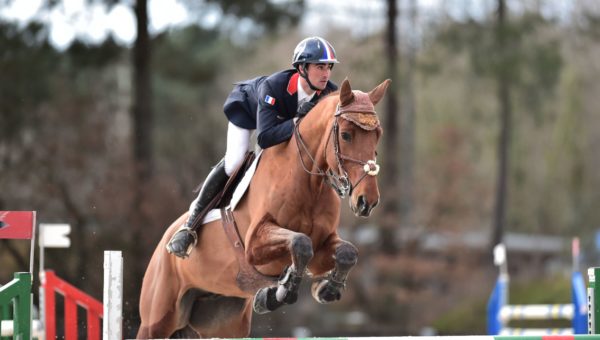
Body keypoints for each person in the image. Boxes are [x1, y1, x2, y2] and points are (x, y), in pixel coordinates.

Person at [166, 36, 340, 258]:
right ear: (302, 68)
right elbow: (265, 137)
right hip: (248, 113)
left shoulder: (328, 94)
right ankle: (189, 226)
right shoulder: (274, 87)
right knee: (235, 160)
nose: (326, 73)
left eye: (329, 67)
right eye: (319, 66)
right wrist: (297, 121)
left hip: (283, 124)